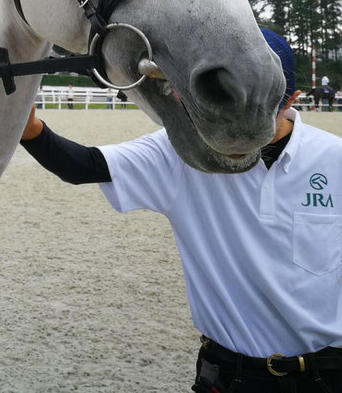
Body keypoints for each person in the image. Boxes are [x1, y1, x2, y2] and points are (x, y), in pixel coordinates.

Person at [20, 29, 341, 392]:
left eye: (264, 105)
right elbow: (84, 165)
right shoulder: (181, 151)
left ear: (292, 100)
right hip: (231, 374)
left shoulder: (335, 159)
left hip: (328, 373)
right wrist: (31, 130)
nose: (241, 121)